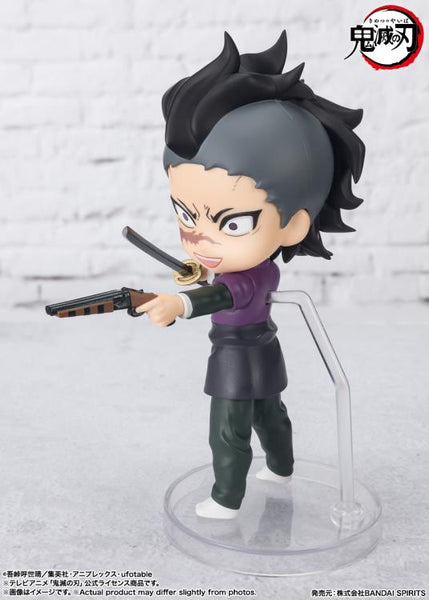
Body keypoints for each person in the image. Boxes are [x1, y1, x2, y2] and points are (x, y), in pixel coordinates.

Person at [136, 31, 365, 519]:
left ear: (294, 226)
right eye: (186, 214)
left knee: (228, 429)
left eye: (233, 223)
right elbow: (220, 282)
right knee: (269, 414)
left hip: (235, 359)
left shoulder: (250, 278)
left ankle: (226, 499)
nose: (199, 237)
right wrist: (196, 275)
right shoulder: (255, 271)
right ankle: (281, 467)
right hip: (263, 351)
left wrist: (179, 304)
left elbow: (225, 295)